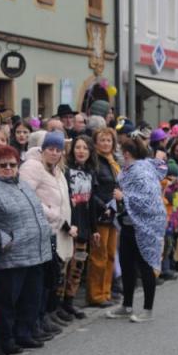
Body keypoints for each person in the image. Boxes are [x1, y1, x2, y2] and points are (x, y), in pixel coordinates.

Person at [0, 145, 52, 353]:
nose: (8, 169)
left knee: (31, 298)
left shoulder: (23, 184)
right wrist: (5, 240)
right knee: (6, 302)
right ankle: (6, 339)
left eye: (12, 165)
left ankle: (25, 333)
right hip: (10, 256)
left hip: (35, 252)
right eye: (2, 165)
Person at [107, 137, 166, 323]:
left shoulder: (141, 171)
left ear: (126, 153)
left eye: (118, 150)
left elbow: (148, 199)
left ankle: (147, 310)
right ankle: (127, 305)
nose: (116, 153)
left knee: (145, 266)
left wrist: (123, 197)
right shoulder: (129, 170)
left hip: (145, 227)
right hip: (128, 224)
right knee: (126, 265)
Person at [19, 131, 72, 333]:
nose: (54, 153)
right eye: (50, 149)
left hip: (52, 230)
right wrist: (51, 212)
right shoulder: (33, 167)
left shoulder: (55, 169)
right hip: (38, 228)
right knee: (39, 280)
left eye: (58, 150)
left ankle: (42, 317)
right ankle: (34, 322)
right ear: (43, 149)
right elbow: (27, 194)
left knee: (49, 277)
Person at [60, 135, 98, 319]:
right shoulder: (65, 171)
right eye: (78, 147)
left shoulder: (91, 173)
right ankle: (57, 305)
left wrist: (94, 229)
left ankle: (70, 301)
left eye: (85, 148)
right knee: (64, 266)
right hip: (68, 227)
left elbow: (91, 204)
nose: (81, 151)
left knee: (77, 266)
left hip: (84, 228)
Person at [87, 127, 121, 307]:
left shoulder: (112, 161)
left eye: (109, 140)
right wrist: (103, 206)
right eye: (102, 140)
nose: (106, 143)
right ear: (96, 143)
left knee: (110, 255)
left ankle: (106, 291)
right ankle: (96, 294)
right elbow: (92, 190)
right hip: (101, 214)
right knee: (98, 256)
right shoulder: (95, 162)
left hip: (113, 213)